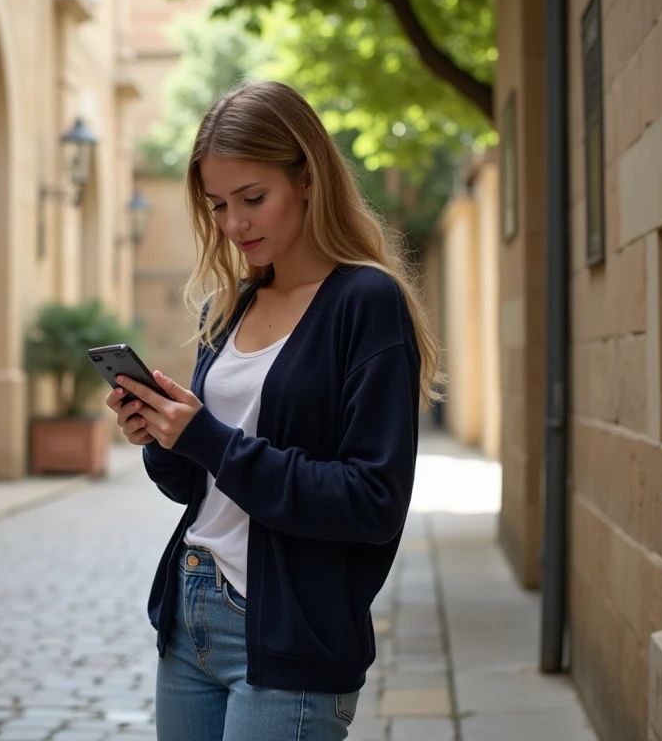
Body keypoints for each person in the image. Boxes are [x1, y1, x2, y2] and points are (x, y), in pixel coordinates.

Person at [104, 80, 442, 741]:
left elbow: (372, 500)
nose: (234, 224)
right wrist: (162, 437)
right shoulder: (227, 308)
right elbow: (197, 487)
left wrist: (209, 439)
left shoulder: (365, 303)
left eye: (253, 198)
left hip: (291, 635)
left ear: (307, 178)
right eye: (218, 205)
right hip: (190, 616)